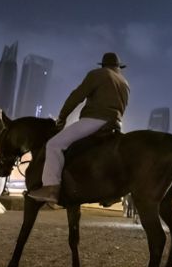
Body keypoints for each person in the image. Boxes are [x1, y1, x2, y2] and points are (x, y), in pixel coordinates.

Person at [28, 52, 130, 204]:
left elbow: (77, 96)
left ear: (103, 65)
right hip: (115, 124)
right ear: (118, 66)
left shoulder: (98, 74)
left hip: (94, 120)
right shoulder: (124, 83)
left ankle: (51, 188)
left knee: (54, 145)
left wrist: (62, 117)